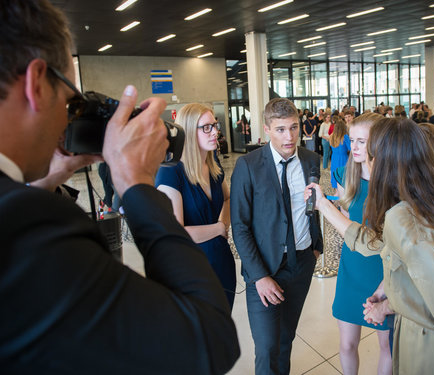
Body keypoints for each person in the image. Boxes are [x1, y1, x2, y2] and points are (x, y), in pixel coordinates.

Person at [0, 1, 240, 373]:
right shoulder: (30, 223)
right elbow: (207, 341)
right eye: (70, 96)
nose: (69, 113)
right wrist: (135, 182)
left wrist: (51, 176)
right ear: (36, 84)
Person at [306, 118, 434, 375]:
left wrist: (386, 306)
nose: (366, 157)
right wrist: (385, 292)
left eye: (371, 151)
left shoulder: (406, 215)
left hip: (432, 350)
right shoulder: (433, 203)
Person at [231, 98, 322, 375]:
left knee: (286, 339)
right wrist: (259, 275)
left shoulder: (310, 160)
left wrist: (315, 248)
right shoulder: (248, 165)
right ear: (267, 129)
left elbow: (312, 206)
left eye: (294, 127)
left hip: (301, 262)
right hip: (265, 267)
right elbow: (240, 225)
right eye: (281, 129)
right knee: (268, 346)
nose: (290, 136)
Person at [156, 103, 236, 308]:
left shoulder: (213, 165)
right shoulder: (170, 172)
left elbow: (228, 199)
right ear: (189, 132)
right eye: (207, 127)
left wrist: (223, 222)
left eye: (215, 126)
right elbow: (174, 234)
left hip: (220, 259)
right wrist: (217, 228)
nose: (215, 132)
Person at [330, 113, 391, 375]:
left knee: (387, 346)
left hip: (383, 269)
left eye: (360, 141)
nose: (353, 147)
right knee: (346, 344)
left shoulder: (393, 183)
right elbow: (346, 223)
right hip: (352, 266)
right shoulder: (345, 175)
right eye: (351, 140)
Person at [329, 118, 350, 193]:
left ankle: (336, 195)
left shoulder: (331, 136)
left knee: (335, 176)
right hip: (343, 159)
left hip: (334, 158)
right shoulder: (345, 137)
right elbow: (350, 148)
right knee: (343, 177)